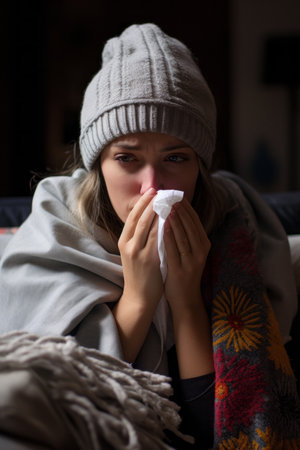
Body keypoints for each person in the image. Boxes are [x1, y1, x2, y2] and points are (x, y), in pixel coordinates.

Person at [0, 23, 299, 448]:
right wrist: (138, 297)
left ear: (201, 165)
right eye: (127, 158)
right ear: (98, 165)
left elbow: (208, 432)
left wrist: (185, 298)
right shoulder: (60, 224)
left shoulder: (235, 225)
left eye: (176, 157)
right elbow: (70, 408)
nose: (152, 186)